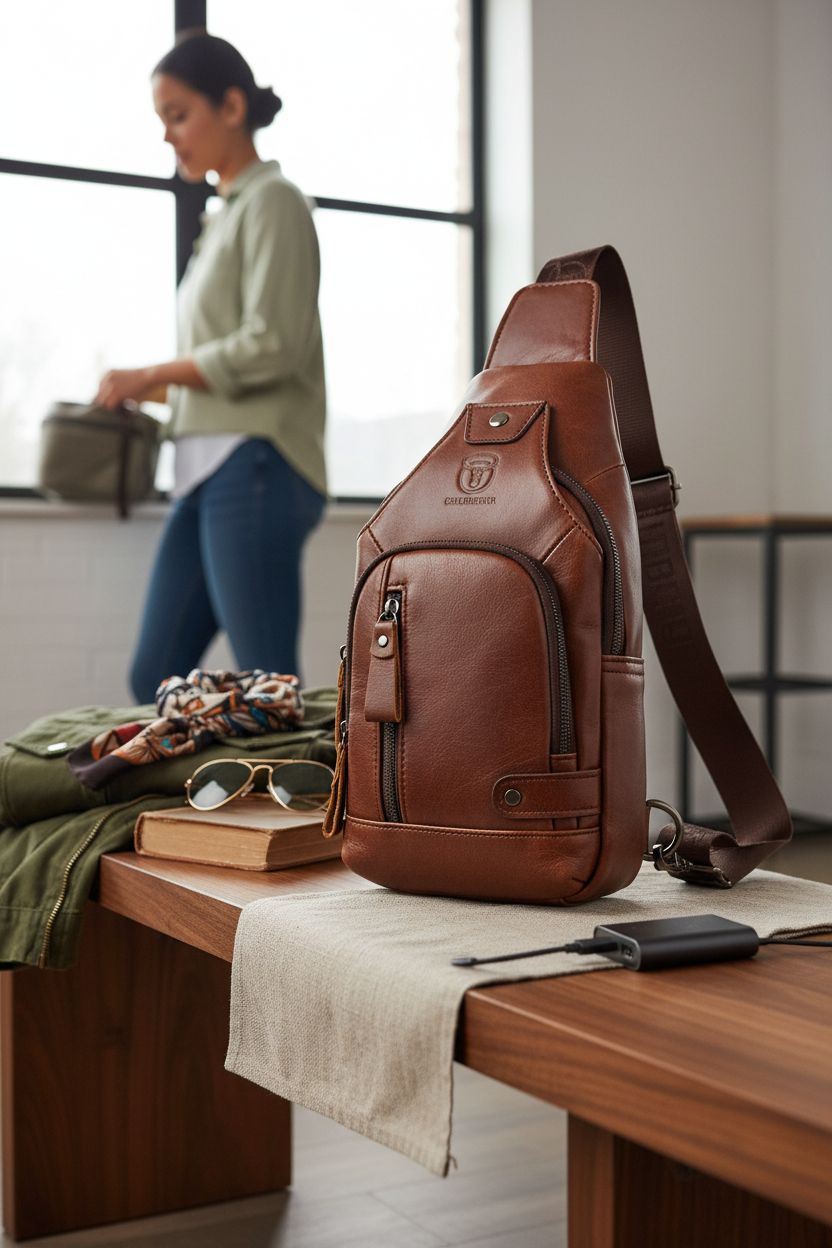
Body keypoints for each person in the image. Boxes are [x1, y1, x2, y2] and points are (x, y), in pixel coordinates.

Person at [96, 31, 327, 704]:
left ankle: (319, 808)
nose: (169, 137)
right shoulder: (224, 217)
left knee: (269, 683)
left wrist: (150, 373)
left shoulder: (273, 201)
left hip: (256, 466)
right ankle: (200, 809)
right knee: (155, 676)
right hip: (207, 469)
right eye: (162, 121)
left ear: (231, 106)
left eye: (178, 115)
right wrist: (156, 395)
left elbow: (273, 345)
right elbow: (227, 371)